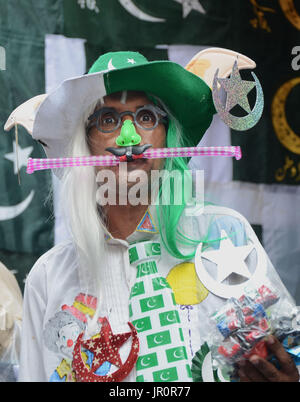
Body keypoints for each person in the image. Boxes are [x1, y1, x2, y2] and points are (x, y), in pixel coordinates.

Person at [7, 50, 299, 382]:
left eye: (146, 117)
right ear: (84, 145)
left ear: (167, 134)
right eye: (107, 119)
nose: (129, 139)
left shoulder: (225, 233)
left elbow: (285, 350)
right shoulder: (50, 277)